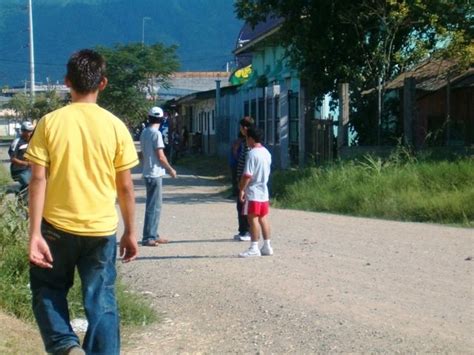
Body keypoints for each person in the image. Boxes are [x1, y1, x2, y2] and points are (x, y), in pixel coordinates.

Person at [25, 49, 139, 355]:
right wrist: (130, 231)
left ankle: (65, 346)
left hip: (55, 228)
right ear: (103, 83)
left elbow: (38, 179)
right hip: (100, 230)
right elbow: (125, 186)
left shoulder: (49, 123)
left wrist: (34, 233)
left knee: (47, 290)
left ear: (66, 82)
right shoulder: (116, 126)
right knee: (101, 298)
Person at [140, 106, 177, 247]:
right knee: (153, 206)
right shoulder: (156, 134)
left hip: (148, 171)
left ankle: (154, 234)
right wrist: (170, 169)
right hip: (154, 173)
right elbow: (161, 156)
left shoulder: (145, 132)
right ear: (161, 119)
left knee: (155, 205)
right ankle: (148, 237)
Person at [238, 126, 273, 258]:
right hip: (264, 190)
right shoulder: (266, 153)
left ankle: (254, 247)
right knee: (263, 218)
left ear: (251, 138)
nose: (246, 140)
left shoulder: (252, 154)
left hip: (253, 191)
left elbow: (247, 175)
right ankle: (267, 246)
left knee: (252, 219)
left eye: (247, 138)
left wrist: (241, 189)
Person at [233, 117, 254, 241]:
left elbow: (247, 164)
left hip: (245, 180)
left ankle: (246, 231)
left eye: (241, 128)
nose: (240, 130)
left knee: (243, 205)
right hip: (241, 178)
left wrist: (243, 182)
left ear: (245, 128)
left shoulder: (249, 144)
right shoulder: (245, 141)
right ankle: (243, 230)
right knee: (241, 205)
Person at [10, 121, 34, 192]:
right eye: (28, 131)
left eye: (32, 131)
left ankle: (21, 196)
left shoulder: (32, 141)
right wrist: (27, 163)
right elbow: (13, 159)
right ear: (23, 131)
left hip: (30, 169)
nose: (31, 133)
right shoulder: (17, 142)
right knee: (28, 184)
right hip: (19, 171)